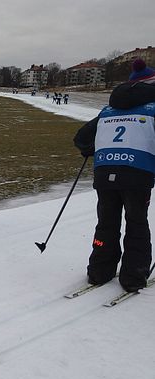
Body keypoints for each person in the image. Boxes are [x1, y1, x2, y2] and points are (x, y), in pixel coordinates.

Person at [73, 58, 155, 292]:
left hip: (104, 172)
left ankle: (99, 270)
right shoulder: (152, 109)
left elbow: (81, 139)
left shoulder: (108, 110)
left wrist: (92, 148)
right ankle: (133, 276)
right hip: (137, 174)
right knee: (137, 223)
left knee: (106, 223)